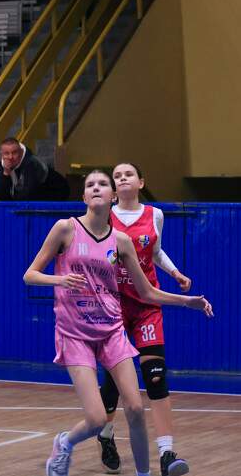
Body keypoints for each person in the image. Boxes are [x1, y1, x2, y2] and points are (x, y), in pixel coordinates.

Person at [23, 169, 213, 476]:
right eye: (90, 185)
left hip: (111, 331)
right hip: (75, 334)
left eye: (102, 184)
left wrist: (187, 301)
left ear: (112, 197)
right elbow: (29, 275)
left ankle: (144, 473)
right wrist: (60, 279)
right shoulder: (65, 228)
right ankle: (65, 442)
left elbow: (146, 291)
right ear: (84, 197)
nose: (96, 187)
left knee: (136, 408)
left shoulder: (121, 241)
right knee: (97, 419)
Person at [96, 163, 193, 476]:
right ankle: (105, 434)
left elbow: (156, 252)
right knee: (114, 381)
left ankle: (167, 453)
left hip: (146, 303)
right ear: (114, 187)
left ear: (140, 182)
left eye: (128, 174)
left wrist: (175, 273)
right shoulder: (103, 215)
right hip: (113, 306)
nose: (122, 178)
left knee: (155, 375)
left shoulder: (155, 215)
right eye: (117, 176)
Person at [0, 137, 70, 201]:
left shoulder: (32, 164)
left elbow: (27, 195)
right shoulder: (1, 167)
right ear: (2, 154)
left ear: (21, 152)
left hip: (57, 192)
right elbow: (2, 197)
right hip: (36, 197)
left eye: (14, 153)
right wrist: (6, 174)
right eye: (6, 153)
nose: (10, 157)